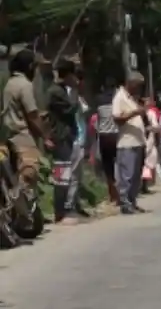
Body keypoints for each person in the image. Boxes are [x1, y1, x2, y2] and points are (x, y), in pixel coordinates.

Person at [1, 49, 51, 217]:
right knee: (29, 172)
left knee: (16, 175)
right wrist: (46, 137)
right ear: (30, 66)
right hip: (23, 136)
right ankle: (18, 206)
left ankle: (18, 210)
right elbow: (32, 115)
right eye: (35, 67)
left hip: (9, 135)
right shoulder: (25, 85)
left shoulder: (10, 83)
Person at [46, 59, 82, 225]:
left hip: (65, 136)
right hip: (60, 137)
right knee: (61, 174)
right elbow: (70, 109)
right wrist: (75, 90)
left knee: (65, 174)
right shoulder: (56, 92)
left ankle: (62, 210)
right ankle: (60, 212)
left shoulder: (60, 90)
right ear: (67, 75)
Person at [112, 71, 150, 215]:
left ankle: (132, 201)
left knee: (135, 176)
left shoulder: (133, 98)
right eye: (137, 86)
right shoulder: (119, 97)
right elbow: (117, 118)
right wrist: (136, 112)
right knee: (126, 176)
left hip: (138, 141)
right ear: (131, 84)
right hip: (126, 142)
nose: (139, 89)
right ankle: (125, 203)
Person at [64, 66, 91, 219]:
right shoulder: (70, 94)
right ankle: (69, 205)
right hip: (75, 138)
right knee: (73, 174)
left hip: (80, 138)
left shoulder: (77, 95)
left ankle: (75, 202)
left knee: (77, 175)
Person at [94, 78, 119, 203]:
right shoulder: (117, 100)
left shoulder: (99, 101)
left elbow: (97, 121)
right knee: (119, 165)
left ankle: (112, 194)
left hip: (104, 137)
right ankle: (119, 193)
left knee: (108, 167)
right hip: (116, 136)